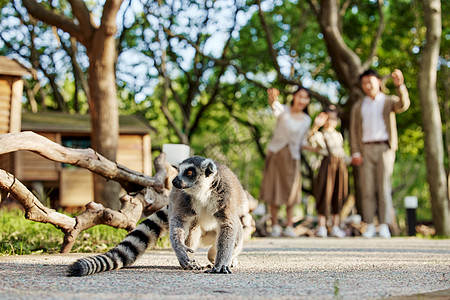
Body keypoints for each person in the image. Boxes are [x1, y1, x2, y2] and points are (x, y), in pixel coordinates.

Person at [350, 69, 410, 238]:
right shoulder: (358, 106)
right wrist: (355, 152)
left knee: (383, 186)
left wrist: (400, 86)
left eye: (370, 81)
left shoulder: (388, 100)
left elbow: (403, 105)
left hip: (385, 147)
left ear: (378, 81)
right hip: (365, 149)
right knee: (366, 188)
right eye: (364, 83)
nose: (367, 86)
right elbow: (354, 130)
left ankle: (384, 224)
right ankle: (369, 224)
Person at [260, 86, 311, 237]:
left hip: (293, 156)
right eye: (300, 96)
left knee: (291, 190)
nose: (302, 100)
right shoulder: (284, 110)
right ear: (294, 97)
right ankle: (274, 224)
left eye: (306, 98)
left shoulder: (307, 119)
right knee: (274, 188)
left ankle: (289, 225)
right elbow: (274, 106)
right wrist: (273, 99)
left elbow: (303, 141)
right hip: (276, 153)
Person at [308, 105, 348, 238]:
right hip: (326, 165)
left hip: (340, 166)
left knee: (339, 193)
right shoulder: (320, 134)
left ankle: (335, 225)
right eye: (327, 118)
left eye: (333, 118)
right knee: (324, 193)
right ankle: (322, 225)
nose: (330, 121)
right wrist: (316, 125)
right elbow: (310, 139)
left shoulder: (338, 136)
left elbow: (341, 152)